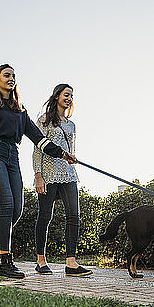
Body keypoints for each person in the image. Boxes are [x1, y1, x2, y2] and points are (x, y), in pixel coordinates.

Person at [0, 64, 76, 279]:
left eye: (13, 76)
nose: (11, 78)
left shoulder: (20, 109)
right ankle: (6, 263)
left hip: (12, 155)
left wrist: (63, 154)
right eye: (7, 75)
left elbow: (39, 139)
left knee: (16, 211)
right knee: (6, 204)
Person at [32, 84, 92, 277]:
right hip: (49, 173)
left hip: (68, 174)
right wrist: (38, 175)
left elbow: (70, 150)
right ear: (57, 96)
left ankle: (71, 263)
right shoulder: (44, 121)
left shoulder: (71, 124)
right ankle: (41, 260)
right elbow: (37, 149)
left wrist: (72, 157)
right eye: (66, 94)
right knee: (45, 216)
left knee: (74, 216)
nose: (69, 98)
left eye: (71, 96)